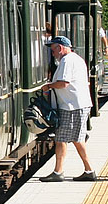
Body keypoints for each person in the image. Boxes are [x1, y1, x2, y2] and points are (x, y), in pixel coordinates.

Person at [38, 35, 97, 182]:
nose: (53, 53)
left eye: (53, 50)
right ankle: (85, 170)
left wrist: (49, 86)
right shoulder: (75, 59)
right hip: (75, 105)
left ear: (60, 47)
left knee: (65, 139)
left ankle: (62, 172)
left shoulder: (67, 60)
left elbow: (64, 83)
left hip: (72, 107)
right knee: (72, 139)